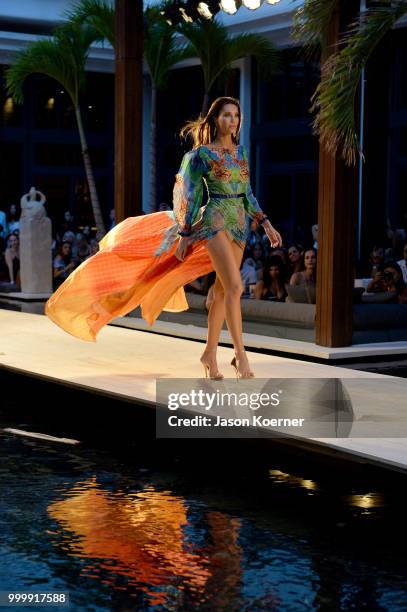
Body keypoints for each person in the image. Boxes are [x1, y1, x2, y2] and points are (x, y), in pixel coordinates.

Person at [45, 96, 282, 378]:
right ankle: (241, 356)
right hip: (214, 220)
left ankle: (209, 353)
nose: (232, 120)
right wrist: (184, 233)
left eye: (236, 115)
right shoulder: (201, 155)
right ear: (215, 119)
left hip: (240, 224)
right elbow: (189, 194)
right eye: (226, 115)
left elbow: (247, 193)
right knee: (234, 288)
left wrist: (265, 224)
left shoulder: (241, 153)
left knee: (220, 292)